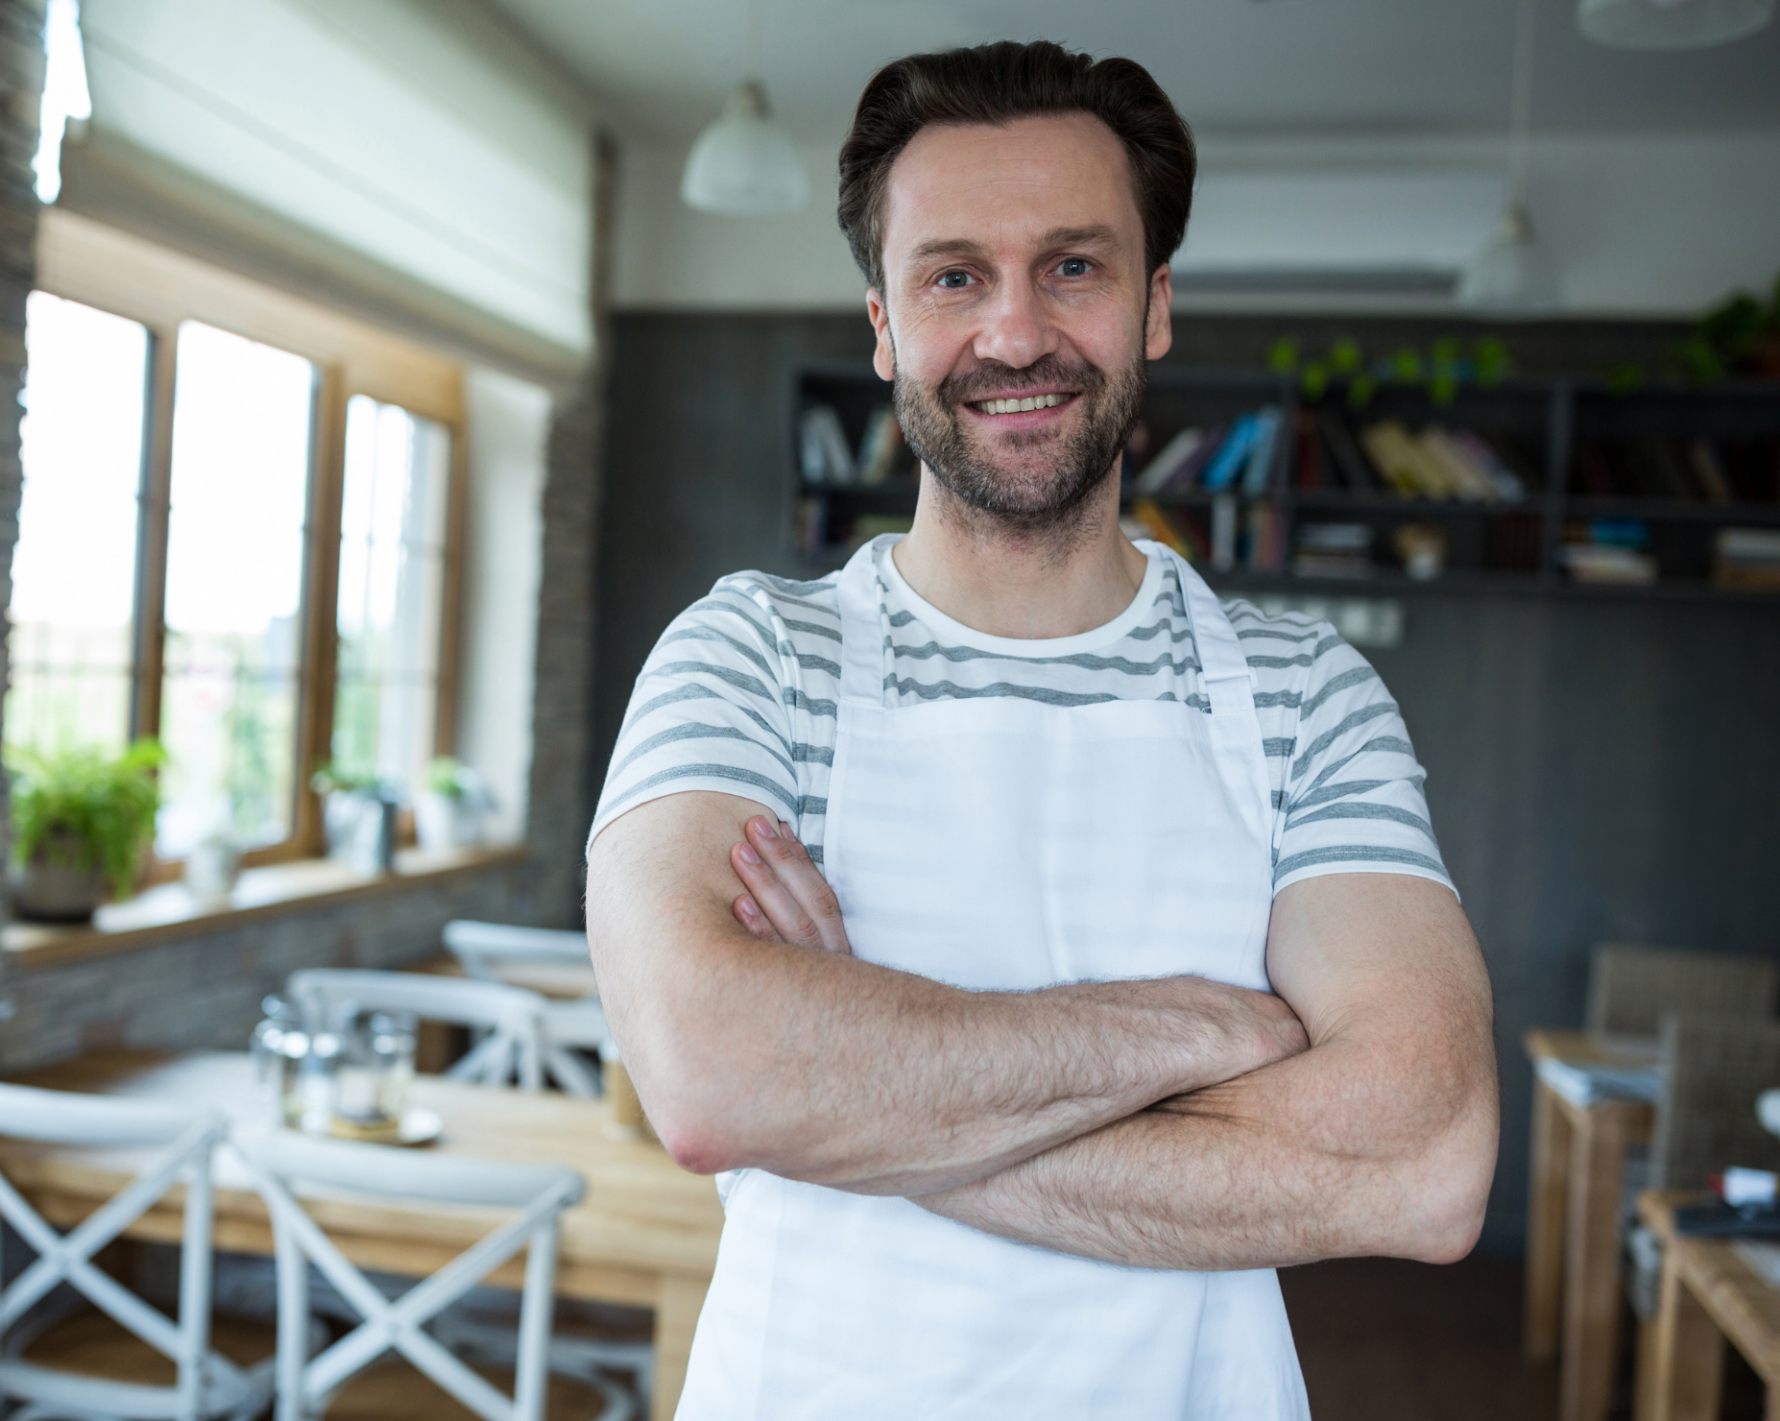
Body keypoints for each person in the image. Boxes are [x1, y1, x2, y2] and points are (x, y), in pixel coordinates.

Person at [586, 39, 1497, 1420]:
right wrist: (1202, 1028)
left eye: (1074, 265)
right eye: (954, 275)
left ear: (1155, 305)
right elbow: (710, 1077)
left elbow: (1425, 1158)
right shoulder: (753, 654)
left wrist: (853, 1102)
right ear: (884, 324)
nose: (1016, 334)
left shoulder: (1302, 694)